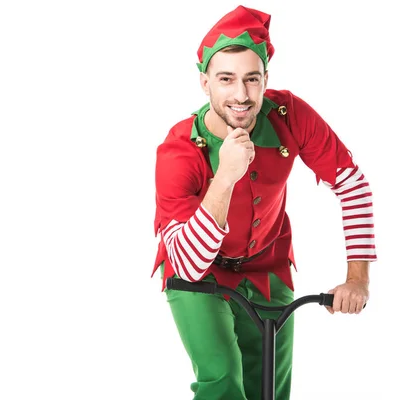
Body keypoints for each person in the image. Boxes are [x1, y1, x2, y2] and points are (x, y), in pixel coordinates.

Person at [151, 5, 377, 400]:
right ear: (205, 83)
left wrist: (357, 278)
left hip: (268, 267)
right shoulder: (179, 150)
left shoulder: (290, 115)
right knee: (222, 378)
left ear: (265, 80)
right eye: (226, 79)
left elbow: (353, 186)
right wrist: (225, 177)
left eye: (251, 79)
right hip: (198, 277)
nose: (241, 94)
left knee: (270, 385)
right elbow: (187, 264)